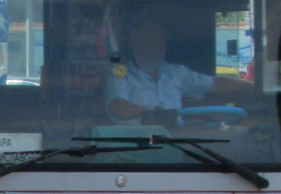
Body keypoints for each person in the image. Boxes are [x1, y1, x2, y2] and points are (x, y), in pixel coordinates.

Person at [106, 17, 247, 122]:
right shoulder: (120, 73)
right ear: (132, 43)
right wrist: (149, 113)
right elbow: (118, 105)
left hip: (176, 145)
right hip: (134, 150)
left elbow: (217, 84)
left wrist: (255, 85)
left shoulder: (176, 72)